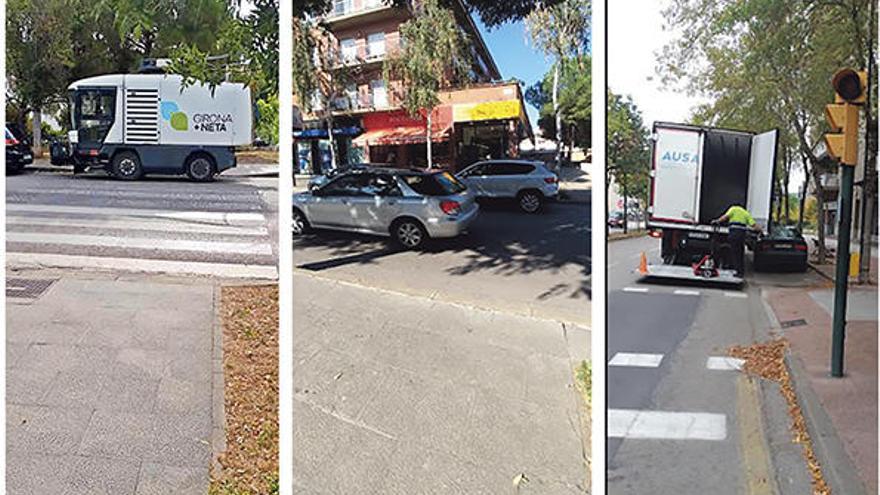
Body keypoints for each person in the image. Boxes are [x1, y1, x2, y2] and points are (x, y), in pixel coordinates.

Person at [712, 205, 762, 277]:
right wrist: (761, 231)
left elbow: (725, 217)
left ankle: (736, 270)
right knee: (740, 253)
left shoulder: (733, 209)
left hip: (733, 234)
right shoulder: (746, 213)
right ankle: (740, 271)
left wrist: (717, 221)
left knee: (734, 252)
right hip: (741, 236)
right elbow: (754, 225)